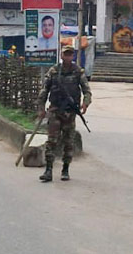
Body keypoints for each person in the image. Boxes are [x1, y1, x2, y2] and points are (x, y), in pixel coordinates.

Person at [35, 46, 91, 182]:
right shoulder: (54, 71)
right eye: (66, 54)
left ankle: (65, 169)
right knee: (51, 141)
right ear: (61, 55)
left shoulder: (78, 72)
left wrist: (86, 103)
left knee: (68, 142)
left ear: (73, 56)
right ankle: (48, 170)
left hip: (70, 113)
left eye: (70, 55)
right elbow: (44, 90)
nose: (68, 57)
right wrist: (41, 108)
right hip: (55, 111)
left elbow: (86, 90)